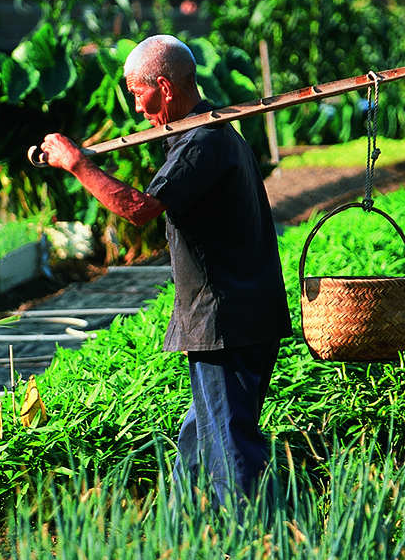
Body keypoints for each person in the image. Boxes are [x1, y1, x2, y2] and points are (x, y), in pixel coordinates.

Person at [39, 35, 292, 507]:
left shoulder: (203, 142)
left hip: (226, 323)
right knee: (197, 444)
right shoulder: (207, 135)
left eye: (138, 93)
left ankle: (253, 538)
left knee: (230, 451)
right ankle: (176, 535)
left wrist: (76, 164)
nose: (137, 107)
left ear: (165, 87)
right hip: (239, 315)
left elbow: (138, 208)